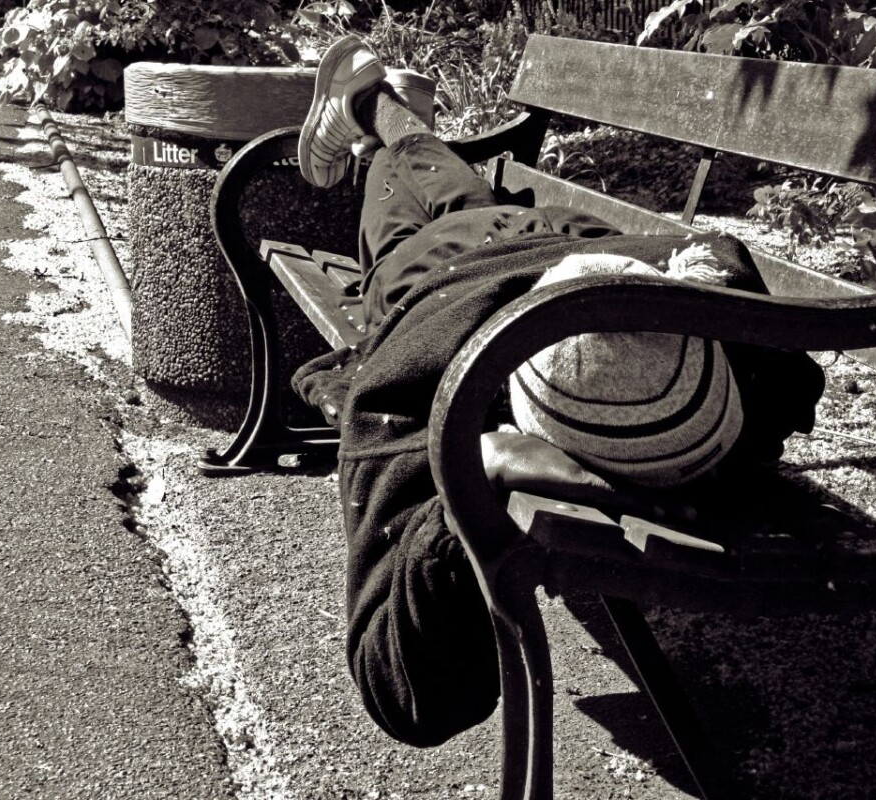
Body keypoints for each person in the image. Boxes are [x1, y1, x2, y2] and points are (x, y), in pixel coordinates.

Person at [289, 35, 826, 748]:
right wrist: (480, 464)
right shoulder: (733, 364)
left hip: (491, 264)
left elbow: (410, 698)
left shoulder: (430, 373)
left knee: (410, 213)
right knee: (429, 209)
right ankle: (378, 121)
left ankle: (377, 119)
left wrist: (467, 482)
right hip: (512, 259)